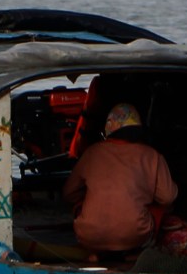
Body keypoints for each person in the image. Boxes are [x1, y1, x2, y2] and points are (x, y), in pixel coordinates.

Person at [64, 103, 178, 258]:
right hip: (134, 237)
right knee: (159, 210)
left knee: (80, 205)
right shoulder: (152, 156)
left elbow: (68, 193)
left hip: (89, 237)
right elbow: (168, 197)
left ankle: (98, 252)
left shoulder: (92, 152)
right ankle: (133, 254)